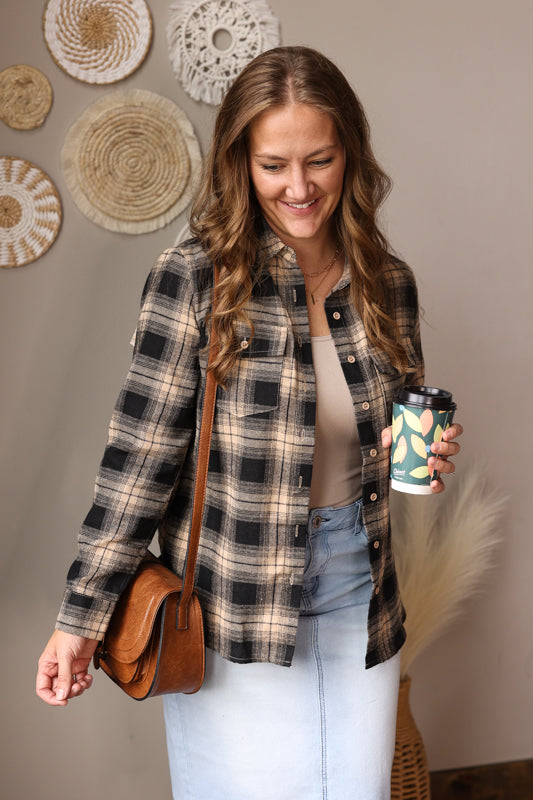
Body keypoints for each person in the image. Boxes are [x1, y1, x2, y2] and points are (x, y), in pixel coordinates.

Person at [36, 46, 462, 799]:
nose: (299, 187)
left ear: (350, 154)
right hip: (231, 600)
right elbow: (137, 462)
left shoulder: (385, 283)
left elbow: (395, 444)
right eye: (273, 165)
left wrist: (416, 455)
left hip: (357, 592)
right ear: (241, 164)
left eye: (320, 160)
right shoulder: (196, 277)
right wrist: (79, 619)